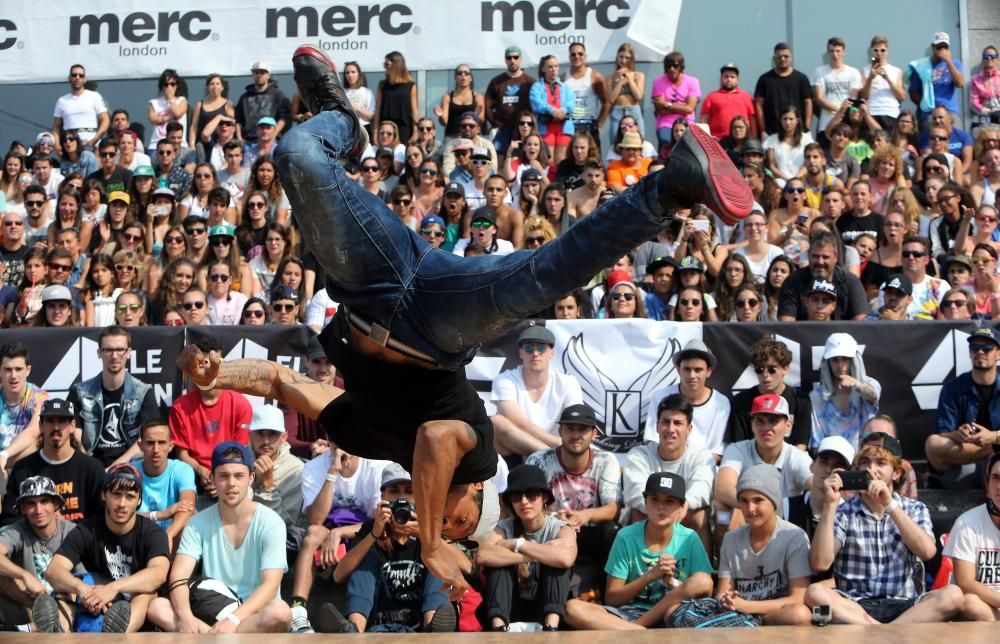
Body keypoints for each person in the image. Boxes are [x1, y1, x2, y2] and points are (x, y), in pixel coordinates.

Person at [175, 43, 752, 598]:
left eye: (447, 530)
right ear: (478, 499)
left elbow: (281, 382)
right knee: (543, 276)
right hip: (439, 321)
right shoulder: (477, 458)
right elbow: (434, 438)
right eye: (460, 525)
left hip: (368, 289)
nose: (446, 525)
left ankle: (337, 120)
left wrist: (216, 374)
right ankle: (672, 183)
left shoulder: (361, 435)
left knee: (296, 157)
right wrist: (430, 544)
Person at [804, 439, 969, 624]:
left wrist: (890, 505)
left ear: (896, 473)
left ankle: (882, 630)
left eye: (880, 463)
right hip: (855, 606)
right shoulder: (843, 511)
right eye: (865, 462)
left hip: (906, 605)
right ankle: (883, 630)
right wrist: (830, 504)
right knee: (815, 593)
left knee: (953, 595)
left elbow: (927, 552)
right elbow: (820, 563)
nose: (871, 469)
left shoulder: (914, 508)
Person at [146, 442, 293, 633]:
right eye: (223, 476)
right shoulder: (197, 523)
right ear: (212, 479)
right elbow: (178, 578)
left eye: (239, 476)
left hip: (254, 614)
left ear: (251, 478)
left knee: (281, 612)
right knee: (158, 607)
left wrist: (232, 620)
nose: (231, 483)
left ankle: (210, 638)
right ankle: (216, 637)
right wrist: (185, 616)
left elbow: (271, 586)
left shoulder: (271, 522)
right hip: (211, 612)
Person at [316, 463, 458, 634]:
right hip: (378, 622)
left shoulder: (430, 529)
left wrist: (424, 536)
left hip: (419, 622)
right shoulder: (371, 528)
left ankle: (434, 628)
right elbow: (338, 576)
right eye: (394, 491)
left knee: (438, 556)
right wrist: (374, 534)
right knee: (365, 556)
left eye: (409, 491)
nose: (401, 498)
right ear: (383, 496)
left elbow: (455, 561)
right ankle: (354, 631)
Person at [563, 472, 713, 630]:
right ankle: (639, 631)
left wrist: (673, 583)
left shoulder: (689, 538)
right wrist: (650, 576)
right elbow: (612, 598)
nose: (661, 507)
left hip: (673, 613)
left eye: (669, 501)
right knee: (572, 609)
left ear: (681, 507)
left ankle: (638, 629)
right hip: (627, 615)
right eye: (654, 499)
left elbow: (706, 590)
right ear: (645, 502)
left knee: (702, 579)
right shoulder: (626, 536)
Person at [37, 464, 169, 633]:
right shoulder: (87, 529)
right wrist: (83, 590)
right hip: (95, 599)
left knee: (144, 595)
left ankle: (117, 634)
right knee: (66, 590)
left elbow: (158, 574)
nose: (122, 503)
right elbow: (54, 571)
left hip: (134, 604)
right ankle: (58, 631)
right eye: (116, 494)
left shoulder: (153, 532)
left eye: (130, 496)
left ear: (139, 500)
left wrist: (113, 588)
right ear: (104, 494)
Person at [526, 403, 622, 593]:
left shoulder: (606, 460)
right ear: (560, 431)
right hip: (552, 531)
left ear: (594, 433)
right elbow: (528, 505)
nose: (575, 435)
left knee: (613, 532)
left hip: (591, 532)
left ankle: (606, 595)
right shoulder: (539, 460)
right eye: (570, 428)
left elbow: (613, 508)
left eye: (582, 429)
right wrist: (555, 521)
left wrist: (584, 515)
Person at [477, 464, 576, 632]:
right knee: (498, 564)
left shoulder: (560, 527)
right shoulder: (502, 527)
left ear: (544, 497)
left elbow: (565, 558)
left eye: (531, 495)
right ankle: (498, 628)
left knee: (556, 564)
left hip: (547, 605)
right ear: (510, 502)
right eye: (516, 496)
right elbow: (483, 555)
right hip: (511, 606)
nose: (524, 501)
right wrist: (536, 554)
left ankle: (550, 627)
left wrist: (518, 545)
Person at [716, 464, 812, 625]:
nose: (750, 509)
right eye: (744, 501)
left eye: (758, 500)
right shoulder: (730, 539)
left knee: (799, 614)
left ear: (774, 502)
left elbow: (799, 598)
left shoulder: (795, 537)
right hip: (738, 613)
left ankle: (754, 625)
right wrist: (726, 600)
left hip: (774, 614)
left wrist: (748, 606)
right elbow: (721, 593)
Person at [624, 394, 715, 551]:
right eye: (665, 422)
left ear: (689, 429)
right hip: (651, 514)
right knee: (637, 513)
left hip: (683, 513)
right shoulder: (639, 454)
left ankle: (701, 571)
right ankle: (638, 571)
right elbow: (635, 493)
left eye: (678, 423)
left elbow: (703, 488)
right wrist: (664, 511)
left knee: (699, 515)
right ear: (657, 426)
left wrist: (683, 506)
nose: (670, 429)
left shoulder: (702, 456)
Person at [170, 338, 253, 498]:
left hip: (230, 471)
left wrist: (219, 477)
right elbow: (182, 455)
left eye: (215, 361)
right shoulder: (180, 406)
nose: (207, 367)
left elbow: (238, 451)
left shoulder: (240, 403)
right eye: (202, 363)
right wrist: (203, 472)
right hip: (195, 475)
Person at [66, 326, 159, 467]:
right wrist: (92, 470)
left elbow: (148, 438)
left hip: (130, 467)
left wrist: (113, 469)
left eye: (120, 350)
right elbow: (74, 437)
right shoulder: (79, 392)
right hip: (89, 466)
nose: (114, 356)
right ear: (99, 353)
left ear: (129, 353)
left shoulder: (143, 392)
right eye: (108, 350)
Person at [716, 394, 813, 529]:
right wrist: (755, 508)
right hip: (748, 520)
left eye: (773, 420)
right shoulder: (737, 450)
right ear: (752, 425)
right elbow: (722, 489)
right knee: (724, 511)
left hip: (786, 527)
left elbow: (815, 485)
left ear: (788, 425)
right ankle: (725, 550)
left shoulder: (797, 456)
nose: (766, 427)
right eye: (759, 421)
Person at [0, 399, 104, 526]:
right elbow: (9, 522)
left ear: (72, 426)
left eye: (61, 421)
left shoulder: (92, 468)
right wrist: (41, 526)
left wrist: (65, 526)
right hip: (33, 543)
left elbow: (102, 520)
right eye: (50, 421)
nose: (56, 427)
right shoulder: (22, 469)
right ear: (41, 426)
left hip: (81, 543)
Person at [0, 476, 79, 631]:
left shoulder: (73, 532)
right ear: (22, 508)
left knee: (75, 586)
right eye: (31, 503)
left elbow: (83, 579)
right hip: (29, 603)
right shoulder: (17, 530)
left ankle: (27, 629)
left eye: (44, 501)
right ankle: (37, 624)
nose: (38, 510)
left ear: (56, 504)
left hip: (67, 605)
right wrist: (24, 575)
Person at [491, 325, 583, 456]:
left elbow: (576, 419)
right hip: (519, 449)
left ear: (552, 352)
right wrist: (558, 443)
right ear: (520, 353)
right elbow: (519, 423)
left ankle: (551, 457)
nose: (535, 354)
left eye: (541, 348)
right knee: (496, 422)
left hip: (558, 449)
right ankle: (550, 457)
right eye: (529, 348)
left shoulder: (568, 382)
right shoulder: (504, 380)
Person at [926, 327, 1000, 489]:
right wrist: (957, 434)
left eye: (986, 348)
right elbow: (941, 433)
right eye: (974, 347)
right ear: (969, 353)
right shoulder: (952, 388)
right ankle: (991, 451)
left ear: (998, 354)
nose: (980, 351)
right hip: (965, 463)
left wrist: (993, 437)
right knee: (933, 444)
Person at [644, 340, 730, 459]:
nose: (692, 375)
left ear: (708, 371)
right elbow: (651, 441)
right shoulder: (660, 397)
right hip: (664, 463)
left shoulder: (721, 403)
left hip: (703, 467)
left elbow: (717, 452)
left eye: (698, 370)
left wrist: (692, 466)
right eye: (687, 369)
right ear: (678, 370)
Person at [942, 451, 1000, 620]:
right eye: (996, 478)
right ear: (987, 486)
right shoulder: (967, 523)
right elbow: (965, 583)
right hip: (986, 608)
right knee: (969, 603)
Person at [726, 338, 812, 449]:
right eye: (759, 369)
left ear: (785, 369)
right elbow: (739, 445)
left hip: (789, 462)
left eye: (771, 369)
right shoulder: (741, 401)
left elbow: (801, 444)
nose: (765, 375)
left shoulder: (801, 400)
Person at [247, 404, 304, 550]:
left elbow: (284, 523)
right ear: (250, 435)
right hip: (241, 527)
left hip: (282, 534)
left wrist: (267, 486)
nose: (266, 441)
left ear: (284, 437)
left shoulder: (295, 469)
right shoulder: (238, 460)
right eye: (260, 433)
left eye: (272, 434)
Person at [809, 332, 881, 449]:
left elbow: (873, 395)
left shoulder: (871, 384)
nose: (840, 365)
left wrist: (857, 385)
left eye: (845, 359)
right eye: (835, 360)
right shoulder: (816, 396)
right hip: (833, 459)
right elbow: (817, 440)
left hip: (865, 458)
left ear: (854, 360)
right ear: (827, 363)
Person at [777, 231, 868, 320]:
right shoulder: (793, 281)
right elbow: (786, 324)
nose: (820, 262)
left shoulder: (850, 282)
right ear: (808, 255)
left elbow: (860, 323)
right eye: (815, 256)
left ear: (835, 257)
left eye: (825, 257)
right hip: (799, 334)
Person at [135, 421, 195, 552]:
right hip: (139, 538)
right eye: (150, 443)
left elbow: (188, 506)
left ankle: (179, 572)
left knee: (188, 524)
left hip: (172, 538)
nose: (156, 449)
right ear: (140, 445)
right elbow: (121, 514)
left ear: (171, 445)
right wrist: (160, 515)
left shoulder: (182, 469)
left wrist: (167, 535)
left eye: (161, 442)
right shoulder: (131, 471)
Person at [0, 342, 48, 472]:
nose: (13, 376)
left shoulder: (39, 397)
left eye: (18, 369)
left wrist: (4, 455)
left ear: (28, 370)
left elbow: (33, 432)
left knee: (39, 441)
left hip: (28, 468)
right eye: (8, 369)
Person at [485, 47, 536, 161]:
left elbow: (537, 105)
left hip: (523, 128)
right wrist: (494, 123)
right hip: (501, 129)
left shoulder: (530, 82)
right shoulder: (496, 81)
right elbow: (487, 105)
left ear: (520, 59)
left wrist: (530, 124)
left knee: (523, 159)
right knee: (498, 159)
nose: (512, 60)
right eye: (509, 58)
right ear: (505, 60)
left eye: (515, 57)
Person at [754, 43, 814, 138]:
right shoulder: (764, 79)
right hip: (772, 133)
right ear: (774, 59)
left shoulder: (801, 78)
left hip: (797, 133)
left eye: (786, 56)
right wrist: (763, 130)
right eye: (779, 56)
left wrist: (806, 128)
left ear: (791, 57)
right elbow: (758, 104)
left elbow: (808, 103)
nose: (782, 59)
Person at [909, 32, 966, 128]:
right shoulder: (922, 66)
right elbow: (913, 91)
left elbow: (960, 83)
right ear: (933, 47)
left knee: (955, 140)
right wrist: (925, 106)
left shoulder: (955, 63)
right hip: (929, 114)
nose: (942, 50)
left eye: (945, 47)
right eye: (939, 47)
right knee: (929, 141)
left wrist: (948, 61)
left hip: (950, 111)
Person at [813, 37, 863, 142]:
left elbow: (853, 98)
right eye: (832, 51)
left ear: (844, 52)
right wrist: (839, 110)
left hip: (847, 124)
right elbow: (819, 97)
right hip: (826, 123)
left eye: (838, 51)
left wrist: (844, 112)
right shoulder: (820, 71)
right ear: (828, 52)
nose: (835, 54)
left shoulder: (853, 72)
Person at [52, 65, 109, 151]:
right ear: (69, 78)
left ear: (85, 79)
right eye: (74, 75)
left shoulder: (94, 96)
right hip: (70, 149)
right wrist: (57, 147)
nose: (77, 77)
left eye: (81, 75)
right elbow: (56, 127)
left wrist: (95, 140)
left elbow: (105, 119)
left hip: (90, 148)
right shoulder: (62, 100)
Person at [235, 60, 291, 144]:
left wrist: (273, 135)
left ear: (268, 75)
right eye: (256, 72)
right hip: (249, 142)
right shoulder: (244, 97)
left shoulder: (278, 95)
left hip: (270, 142)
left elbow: (284, 117)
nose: (259, 75)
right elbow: (238, 120)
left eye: (262, 72)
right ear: (252, 75)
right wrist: (239, 138)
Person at [564, 43, 609, 146]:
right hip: (570, 126)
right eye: (573, 54)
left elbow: (606, 102)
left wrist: (600, 124)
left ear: (585, 56)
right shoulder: (563, 78)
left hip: (590, 125)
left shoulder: (595, 76)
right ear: (569, 58)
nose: (577, 57)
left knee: (593, 159)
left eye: (580, 54)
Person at [699, 63, 756, 140]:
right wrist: (706, 140)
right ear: (721, 78)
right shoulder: (711, 97)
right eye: (726, 76)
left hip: (742, 142)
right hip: (717, 141)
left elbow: (752, 120)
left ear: (737, 79)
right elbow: (703, 120)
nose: (729, 79)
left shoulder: (747, 97)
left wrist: (753, 139)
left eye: (732, 77)